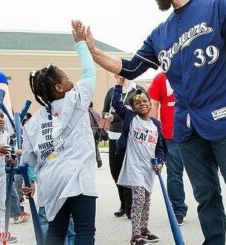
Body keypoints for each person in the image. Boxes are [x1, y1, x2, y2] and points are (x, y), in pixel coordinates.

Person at [80, 0, 226, 243]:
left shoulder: (217, 6)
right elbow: (130, 67)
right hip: (186, 128)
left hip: (223, 118)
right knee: (205, 196)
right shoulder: (160, 34)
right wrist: (93, 50)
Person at [21, 20, 97, 244]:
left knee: (55, 231)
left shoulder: (33, 122)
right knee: (84, 232)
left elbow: (28, 159)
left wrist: (30, 180)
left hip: (51, 182)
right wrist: (80, 43)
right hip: (79, 180)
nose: (71, 79)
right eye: (66, 77)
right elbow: (90, 72)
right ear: (59, 87)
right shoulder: (76, 100)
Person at [112, 76, 166, 245]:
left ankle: (144, 229)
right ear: (133, 107)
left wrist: (160, 161)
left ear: (150, 104)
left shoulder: (155, 125)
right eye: (137, 102)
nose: (142, 103)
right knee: (139, 200)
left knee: (147, 201)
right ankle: (135, 235)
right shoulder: (130, 118)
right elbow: (116, 103)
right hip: (134, 167)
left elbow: (160, 147)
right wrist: (119, 84)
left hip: (148, 169)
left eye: (145, 101)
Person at [102, 76, 145, 218]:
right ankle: (123, 203)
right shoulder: (111, 91)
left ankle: (131, 206)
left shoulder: (137, 90)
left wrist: (116, 117)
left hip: (131, 136)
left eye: (121, 73)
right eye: (116, 74)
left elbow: (139, 111)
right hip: (114, 136)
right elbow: (104, 111)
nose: (118, 76)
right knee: (115, 171)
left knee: (130, 172)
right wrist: (107, 115)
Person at [148, 72, 187, 225]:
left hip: (197, 132)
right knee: (174, 174)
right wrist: (153, 129)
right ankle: (178, 210)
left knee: (205, 173)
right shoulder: (161, 78)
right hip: (171, 134)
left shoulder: (195, 69)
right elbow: (154, 104)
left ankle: (215, 210)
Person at [88, 102, 103, 168]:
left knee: (89, 147)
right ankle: (98, 160)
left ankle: (91, 162)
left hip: (90, 130)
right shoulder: (97, 113)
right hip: (97, 131)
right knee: (95, 145)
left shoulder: (86, 112)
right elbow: (101, 122)